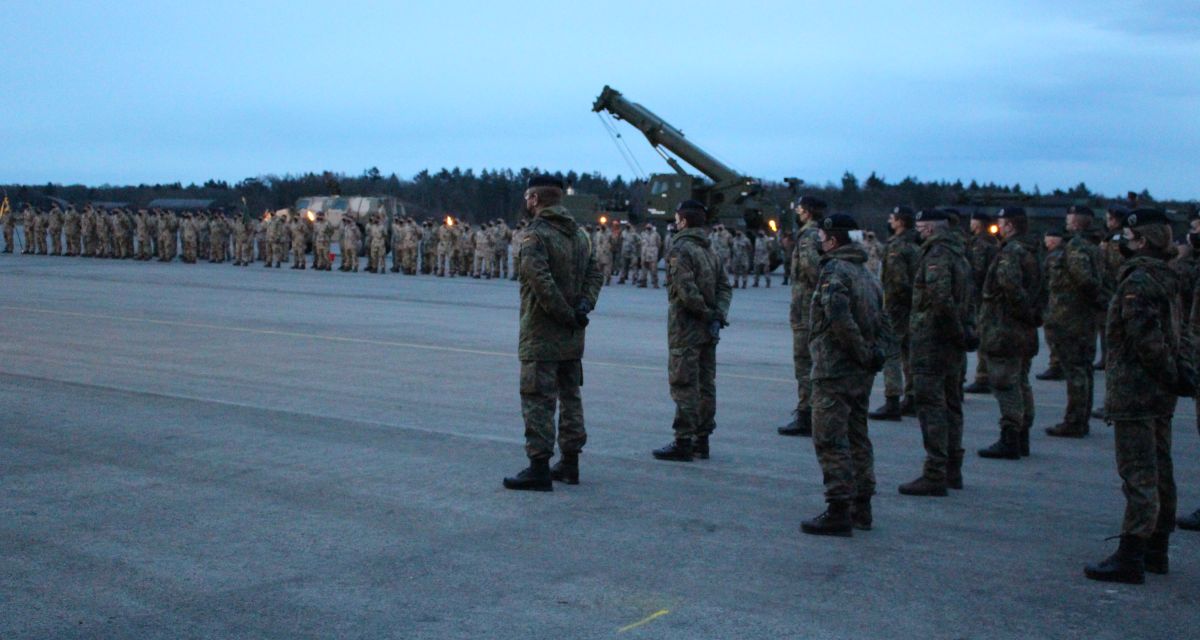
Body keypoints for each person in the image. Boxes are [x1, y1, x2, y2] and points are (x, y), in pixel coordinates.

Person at [1085, 208, 1195, 584]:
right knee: (1160, 467)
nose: (1123, 246)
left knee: (1139, 472)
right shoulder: (1167, 274)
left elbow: (1145, 339)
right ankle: (1156, 549)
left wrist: (1167, 374)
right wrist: (1176, 377)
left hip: (1137, 390)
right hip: (1159, 391)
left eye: (1128, 239)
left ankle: (1132, 553)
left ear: (1142, 241)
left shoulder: (1139, 278)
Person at [503, 175, 603, 491]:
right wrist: (583, 306)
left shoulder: (535, 236)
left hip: (543, 333)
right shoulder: (580, 235)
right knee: (571, 397)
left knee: (538, 399)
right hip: (573, 335)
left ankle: (539, 467)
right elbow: (595, 272)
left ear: (534, 199)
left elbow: (540, 283)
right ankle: (570, 464)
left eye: (527, 197)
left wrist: (567, 315)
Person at [800, 213, 891, 536]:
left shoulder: (834, 271)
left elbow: (839, 319)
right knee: (857, 435)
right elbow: (883, 320)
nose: (820, 242)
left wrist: (862, 352)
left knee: (830, 438)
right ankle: (861, 506)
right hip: (859, 371)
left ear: (833, 241)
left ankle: (839, 508)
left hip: (835, 369)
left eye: (823, 237)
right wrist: (876, 353)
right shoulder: (866, 273)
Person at [897, 210, 973, 496]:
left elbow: (940, 300)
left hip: (933, 341)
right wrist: (966, 331)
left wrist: (954, 331)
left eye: (919, 227)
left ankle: (935, 472)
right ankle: (953, 469)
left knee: (932, 407)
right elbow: (968, 298)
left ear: (929, 229)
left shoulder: (937, 255)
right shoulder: (959, 253)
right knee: (952, 404)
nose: (917, 232)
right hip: (952, 342)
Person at [651, 201, 732, 462]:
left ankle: (683, 440)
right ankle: (702, 439)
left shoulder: (680, 249)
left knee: (685, 383)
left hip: (687, 328)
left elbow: (685, 290)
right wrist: (717, 315)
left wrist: (707, 314)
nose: (675, 223)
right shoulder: (710, 250)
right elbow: (724, 288)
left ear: (683, 222)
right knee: (706, 384)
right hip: (709, 329)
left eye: (676, 219)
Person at [977, 207, 1044, 460]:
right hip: (1023, 329)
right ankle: (1022, 435)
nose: (999, 227)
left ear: (1011, 226)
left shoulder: (1011, 253)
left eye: (1002, 223)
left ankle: (1010, 437)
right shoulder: (1033, 251)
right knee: (1021, 381)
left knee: (1005, 383)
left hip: (1005, 327)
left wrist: (1022, 312)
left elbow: (1010, 288)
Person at [1043, 206, 1106, 438]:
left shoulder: (1077, 247)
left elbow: (1085, 280)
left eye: (1070, 220)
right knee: (1084, 369)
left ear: (1078, 224)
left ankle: (1075, 421)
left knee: (1076, 371)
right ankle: (1080, 418)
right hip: (1083, 316)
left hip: (1071, 317)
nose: (1067, 223)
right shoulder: (1094, 247)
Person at [778, 196, 827, 437]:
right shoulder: (818, 234)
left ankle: (807, 414)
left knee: (805, 362)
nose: (797, 212)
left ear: (806, 212)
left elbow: (812, 271)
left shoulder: (808, 237)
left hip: (806, 310)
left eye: (799, 209)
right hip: (810, 309)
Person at [869, 206, 921, 421]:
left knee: (891, 352)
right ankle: (911, 396)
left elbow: (898, 282)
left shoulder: (897, 246)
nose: (889, 221)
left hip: (897, 307)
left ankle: (892, 399)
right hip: (914, 307)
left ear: (900, 221)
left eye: (892, 218)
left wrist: (887, 305)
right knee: (910, 352)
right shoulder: (917, 243)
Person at [964, 212, 1000, 394]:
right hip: (992, 295)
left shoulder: (979, 244)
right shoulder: (995, 242)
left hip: (981, 297)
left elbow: (976, 272)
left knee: (983, 336)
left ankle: (983, 376)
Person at [1036, 229, 1066, 381]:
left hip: (1054, 302)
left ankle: (1056, 365)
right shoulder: (1064, 254)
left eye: (1047, 239)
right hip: (1061, 302)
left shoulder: (1053, 257)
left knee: (1053, 334)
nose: (1045, 242)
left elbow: (1049, 281)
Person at [638, 223, 661, 288]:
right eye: (647, 227)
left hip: (653, 254)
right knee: (644, 270)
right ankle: (643, 283)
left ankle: (655, 283)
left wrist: (655, 250)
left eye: (649, 227)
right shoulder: (643, 234)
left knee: (654, 270)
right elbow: (640, 242)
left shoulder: (656, 234)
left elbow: (659, 243)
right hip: (644, 254)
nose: (648, 228)